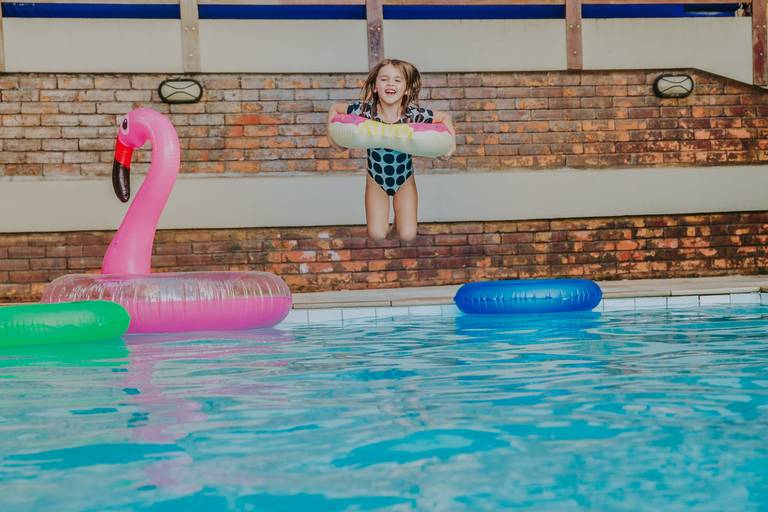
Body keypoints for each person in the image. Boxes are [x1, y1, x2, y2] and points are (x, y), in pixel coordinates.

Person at [327, 59, 456, 241]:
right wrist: (332, 138)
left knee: (407, 235)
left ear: (407, 89)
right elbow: (335, 109)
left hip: (404, 179)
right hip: (376, 178)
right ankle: (392, 224)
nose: (390, 84)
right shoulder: (365, 112)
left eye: (397, 80)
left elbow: (444, 118)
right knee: (377, 234)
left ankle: (398, 223)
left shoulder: (413, 115)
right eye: (384, 79)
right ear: (374, 87)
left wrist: (451, 145)